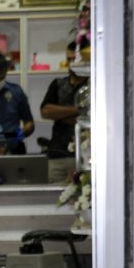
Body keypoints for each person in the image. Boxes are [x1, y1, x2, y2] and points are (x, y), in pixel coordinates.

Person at [39, 51, 90, 183]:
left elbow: (93, 113)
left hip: (85, 155)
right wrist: (79, 110)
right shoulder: (57, 84)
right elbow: (46, 111)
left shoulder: (93, 84)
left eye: (75, 59)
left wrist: (60, 114)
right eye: (69, 59)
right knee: (52, 199)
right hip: (57, 154)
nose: (72, 63)